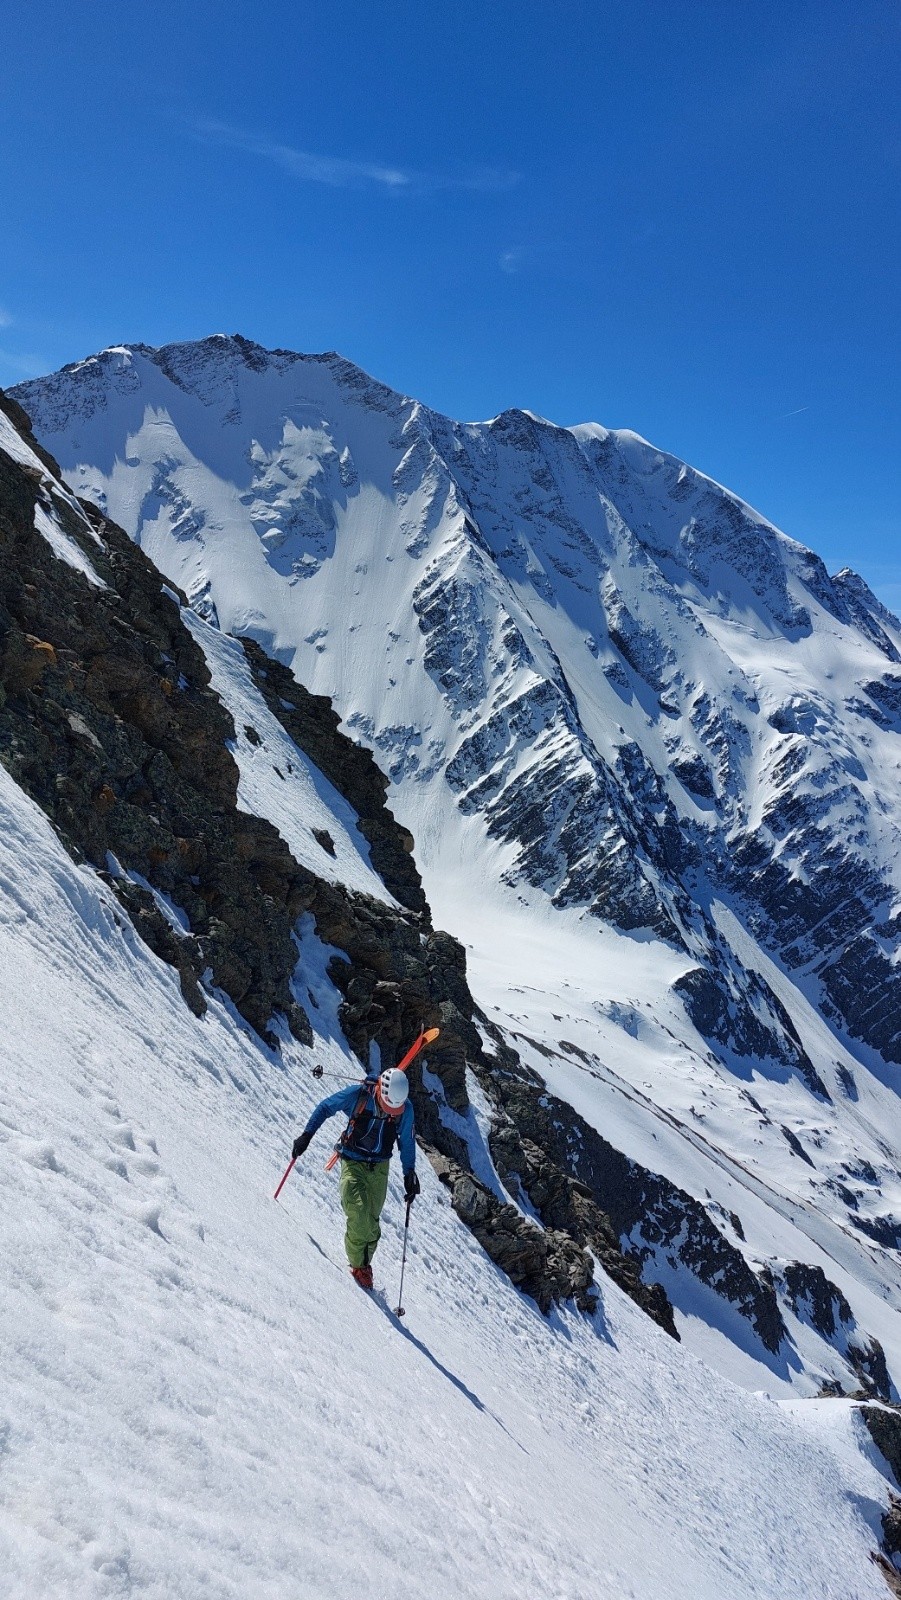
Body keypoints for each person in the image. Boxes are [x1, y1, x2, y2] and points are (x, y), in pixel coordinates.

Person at [291, 1066, 421, 1290]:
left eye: (395, 1108)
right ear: (380, 1090)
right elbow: (326, 1107)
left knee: (371, 1222)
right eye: (389, 1105)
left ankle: (364, 1263)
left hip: (380, 1166)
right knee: (359, 1213)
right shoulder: (359, 1095)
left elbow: (407, 1142)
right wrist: (306, 1136)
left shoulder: (404, 1108)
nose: (392, 1111)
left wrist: (409, 1173)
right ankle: (358, 1265)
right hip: (353, 1160)